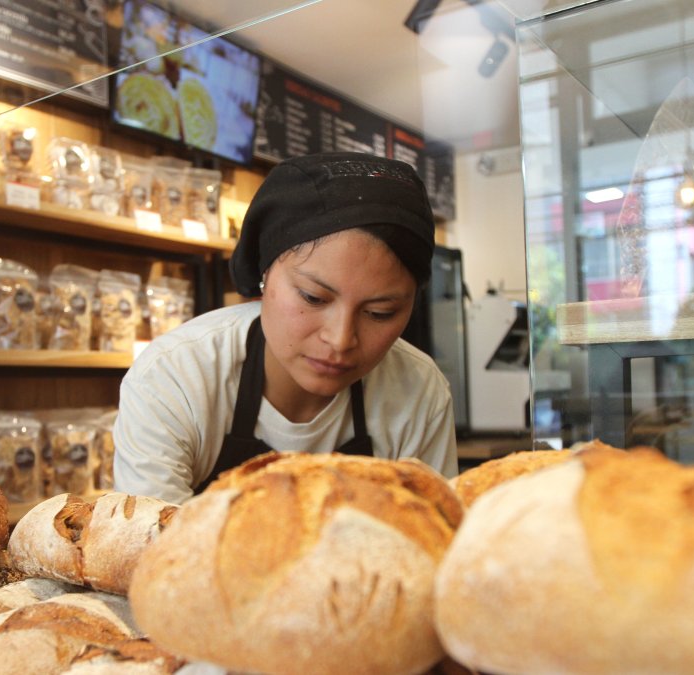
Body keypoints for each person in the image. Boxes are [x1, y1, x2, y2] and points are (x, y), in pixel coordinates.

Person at [113, 151, 459, 503]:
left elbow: (430, 542)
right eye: (313, 297)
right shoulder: (176, 376)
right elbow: (156, 551)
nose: (340, 340)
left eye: (380, 313)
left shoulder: (418, 390)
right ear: (264, 273)